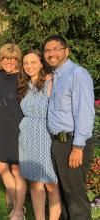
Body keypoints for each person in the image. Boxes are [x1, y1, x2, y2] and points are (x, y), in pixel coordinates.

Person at [44, 35, 95, 220]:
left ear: (67, 51)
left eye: (56, 49)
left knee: (75, 198)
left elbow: (85, 112)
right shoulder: (56, 76)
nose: (51, 53)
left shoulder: (77, 74)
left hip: (73, 143)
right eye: (48, 50)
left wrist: (78, 147)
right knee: (65, 196)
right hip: (59, 143)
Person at [17, 49, 61, 220]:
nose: (29, 66)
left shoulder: (51, 83)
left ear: (41, 63)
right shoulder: (24, 85)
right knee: (35, 183)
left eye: (33, 62)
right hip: (27, 135)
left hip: (46, 135)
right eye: (26, 63)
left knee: (51, 184)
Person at [0, 43, 26, 220]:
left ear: (18, 60)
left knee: (16, 169)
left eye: (13, 58)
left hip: (17, 128)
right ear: (0, 60)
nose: (8, 61)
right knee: (1, 167)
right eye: (5, 58)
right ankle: (20, 204)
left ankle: (18, 211)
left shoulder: (23, 77)